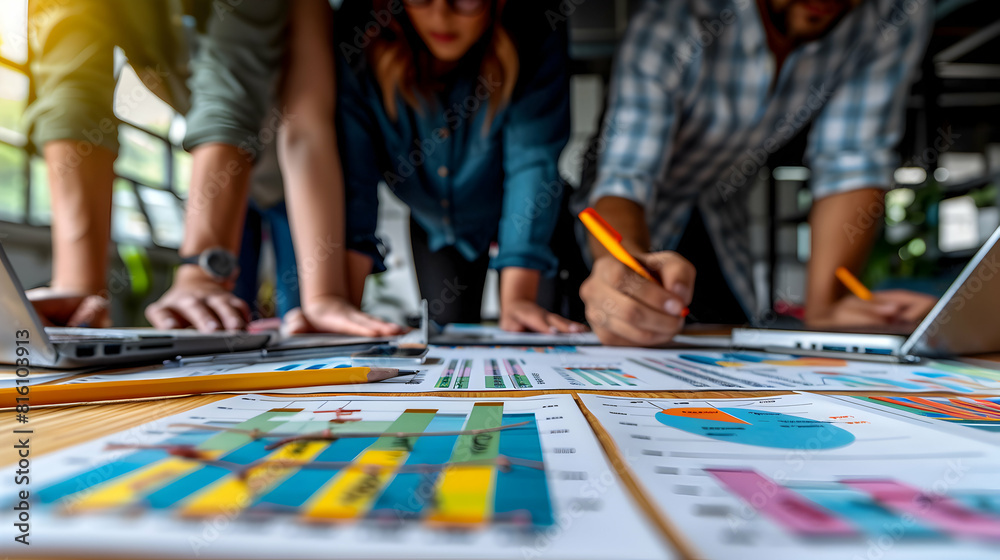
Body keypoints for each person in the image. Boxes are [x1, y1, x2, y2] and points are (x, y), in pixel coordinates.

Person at [578, 0, 938, 347]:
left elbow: (852, 157)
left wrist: (828, 307)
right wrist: (620, 271)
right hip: (620, 225)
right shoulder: (677, 11)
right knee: (617, 320)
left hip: (720, 211)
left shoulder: (895, 10)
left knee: (731, 341)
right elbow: (625, 176)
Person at [279, 0, 585, 334]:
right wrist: (343, 307)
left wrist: (519, 298)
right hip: (435, 228)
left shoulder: (536, 23)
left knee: (540, 328)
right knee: (448, 331)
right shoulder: (362, 33)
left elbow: (532, 161)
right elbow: (356, 182)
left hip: (533, 221)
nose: (441, 15)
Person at [23, 0, 190, 327]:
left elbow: (232, 97)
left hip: (286, 152)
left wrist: (203, 269)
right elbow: (74, 87)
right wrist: (79, 287)